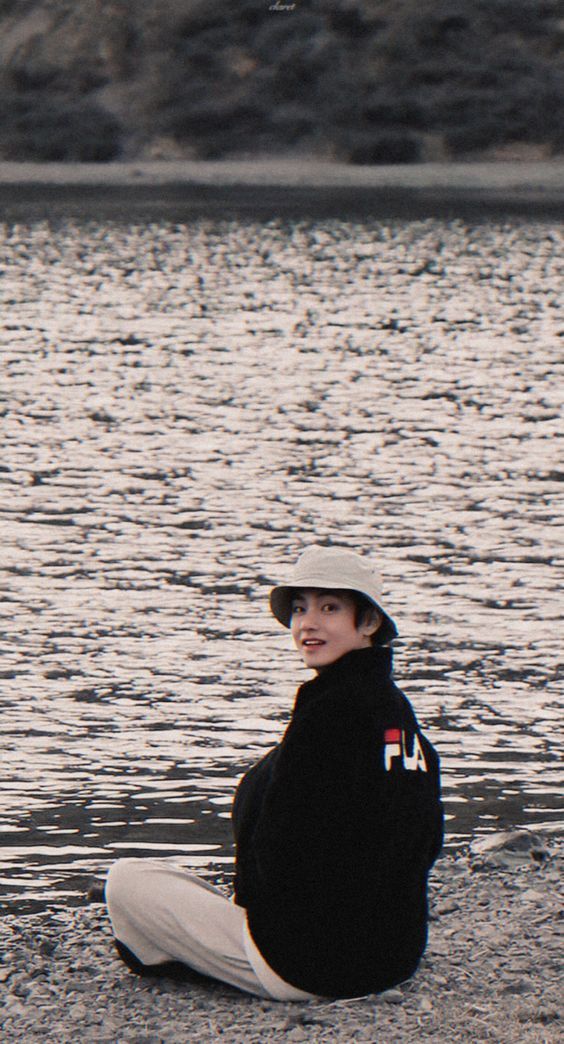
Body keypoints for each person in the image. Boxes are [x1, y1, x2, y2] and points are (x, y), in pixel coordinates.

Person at [106, 545, 443, 1000]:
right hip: (394, 957)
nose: (308, 622)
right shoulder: (397, 716)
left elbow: (284, 845)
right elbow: (425, 838)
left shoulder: (328, 713)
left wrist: (257, 913)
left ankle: (196, 961)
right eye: (300, 608)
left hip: (310, 965)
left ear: (368, 622)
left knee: (128, 879)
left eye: (329, 607)